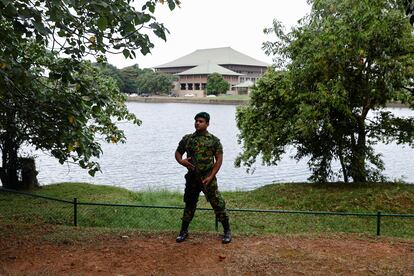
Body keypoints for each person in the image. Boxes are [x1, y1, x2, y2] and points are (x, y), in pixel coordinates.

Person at [174, 111, 231, 244]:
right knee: (189, 204)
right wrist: (181, 161)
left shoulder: (214, 141)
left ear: (207, 124)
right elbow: (177, 153)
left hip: (207, 179)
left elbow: (219, 160)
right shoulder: (187, 139)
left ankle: (227, 231)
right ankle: (183, 231)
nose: (197, 123)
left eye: (201, 121)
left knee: (218, 204)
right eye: (196, 121)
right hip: (192, 178)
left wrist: (211, 176)